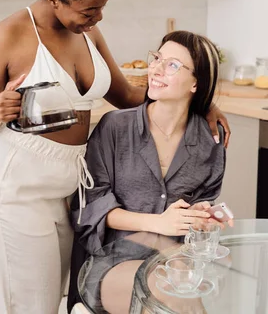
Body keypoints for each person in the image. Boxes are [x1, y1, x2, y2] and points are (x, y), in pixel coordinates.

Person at [0, 0, 230, 314]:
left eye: (102, 6)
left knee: (61, 300)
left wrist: (199, 102)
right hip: (16, 187)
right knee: (29, 306)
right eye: (89, 10)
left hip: (70, 187)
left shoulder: (86, 31)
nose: (98, 18)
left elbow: (126, 95)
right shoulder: (10, 34)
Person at [69, 31, 228, 314]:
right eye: (157, 58)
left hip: (174, 260)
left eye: (173, 65)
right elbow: (89, 208)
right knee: (171, 296)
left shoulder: (209, 142)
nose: (155, 68)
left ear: (196, 83)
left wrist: (205, 216)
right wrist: (159, 223)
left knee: (184, 293)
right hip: (113, 262)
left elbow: (202, 205)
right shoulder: (115, 128)